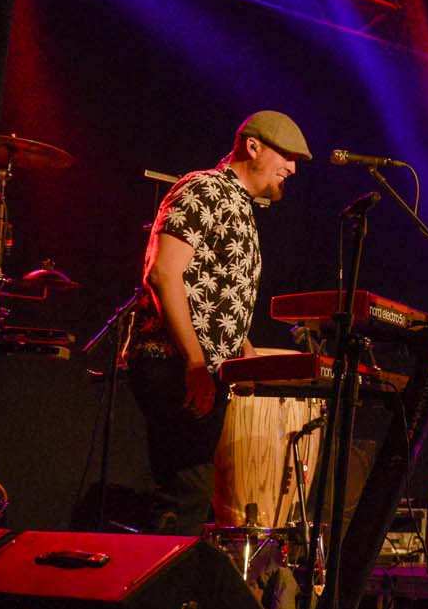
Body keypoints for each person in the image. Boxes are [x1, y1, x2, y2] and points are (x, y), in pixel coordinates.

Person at [127, 111, 310, 536]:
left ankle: (173, 594)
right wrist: (195, 363)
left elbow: (214, 291)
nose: (293, 168)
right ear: (253, 147)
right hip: (174, 363)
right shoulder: (204, 188)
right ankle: (164, 598)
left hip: (199, 367)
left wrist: (243, 348)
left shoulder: (240, 205)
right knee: (185, 491)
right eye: (287, 156)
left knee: (189, 491)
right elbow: (164, 273)